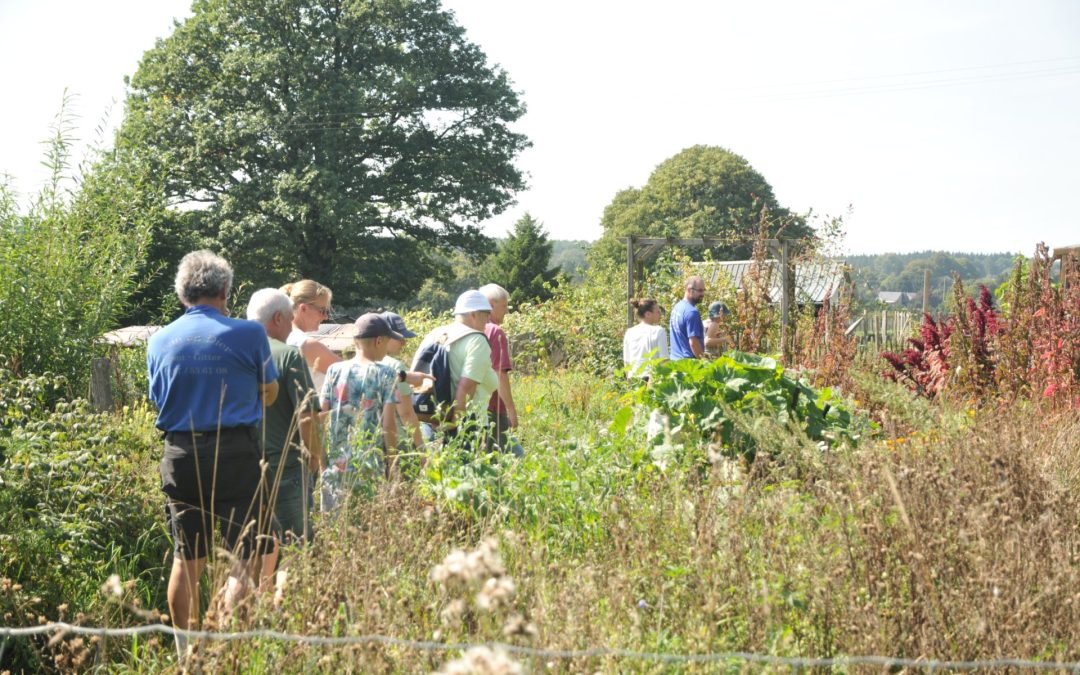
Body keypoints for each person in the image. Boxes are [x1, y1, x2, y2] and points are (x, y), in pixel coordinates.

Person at [146, 251, 279, 659]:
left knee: (187, 559)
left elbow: (158, 398)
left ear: (182, 293)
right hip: (236, 452)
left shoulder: (158, 339)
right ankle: (227, 646)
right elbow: (269, 392)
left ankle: (189, 657)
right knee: (252, 553)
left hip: (180, 454)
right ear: (225, 291)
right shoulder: (250, 334)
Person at [246, 288, 323, 545]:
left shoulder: (234, 353)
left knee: (252, 547)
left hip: (240, 464)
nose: (292, 328)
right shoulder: (289, 354)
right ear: (278, 318)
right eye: (290, 320)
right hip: (285, 467)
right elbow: (307, 416)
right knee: (295, 546)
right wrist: (314, 458)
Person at [319, 313, 401, 511]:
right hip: (370, 465)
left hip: (336, 463)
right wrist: (393, 466)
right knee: (367, 527)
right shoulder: (387, 374)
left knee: (335, 527)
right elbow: (388, 426)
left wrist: (322, 461)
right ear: (379, 341)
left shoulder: (334, 370)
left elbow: (320, 417)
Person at [412, 290, 499, 447]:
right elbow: (466, 387)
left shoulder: (435, 334)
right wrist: (454, 424)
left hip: (429, 419)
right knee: (466, 470)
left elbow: (416, 371)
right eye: (486, 313)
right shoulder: (476, 340)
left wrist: (434, 422)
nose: (488, 319)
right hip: (465, 424)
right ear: (473, 314)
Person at [478, 283, 523, 456]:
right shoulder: (495, 332)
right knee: (514, 458)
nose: (507, 311)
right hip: (493, 410)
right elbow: (499, 373)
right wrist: (511, 409)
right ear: (490, 304)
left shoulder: (469, 329)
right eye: (504, 306)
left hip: (473, 408)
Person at [380, 311, 425, 463]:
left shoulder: (360, 363)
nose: (404, 343)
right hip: (397, 446)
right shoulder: (395, 367)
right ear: (385, 337)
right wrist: (421, 450)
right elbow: (405, 413)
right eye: (399, 338)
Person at [281, 279, 341, 393]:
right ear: (303, 308)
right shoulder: (307, 344)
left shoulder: (280, 337)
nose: (326, 317)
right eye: (323, 310)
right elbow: (354, 374)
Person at [623, 298, 668, 379]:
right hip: (651, 377)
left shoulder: (629, 332)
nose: (660, 314)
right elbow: (664, 360)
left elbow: (627, 361)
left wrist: (629, 381)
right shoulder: (659, 331)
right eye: (657, 311)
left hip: (634, 378)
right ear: (648, 314)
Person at [670, 276, 706, 359]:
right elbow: (694, 343)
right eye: (700, 290)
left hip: (675, 360)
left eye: (704, 290)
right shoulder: (692, 312)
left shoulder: (677, 307)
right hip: (688, 364)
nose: (703, 294)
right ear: (690, 290)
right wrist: (705, 362)